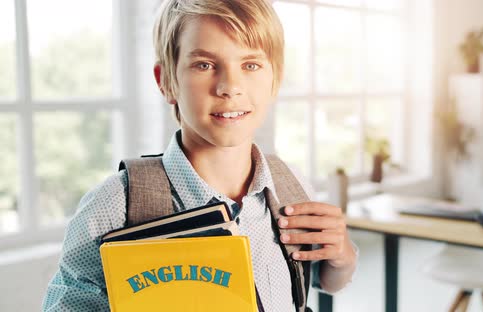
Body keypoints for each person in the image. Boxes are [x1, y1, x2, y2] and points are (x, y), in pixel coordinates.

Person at [42, 0, 357, 311]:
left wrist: (342, 258)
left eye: (251, 64)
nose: (230, 86)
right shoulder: (112, 207)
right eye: (204, 65)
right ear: (166, 81)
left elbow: (316, 280)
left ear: (275, 78)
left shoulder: (291, 187)